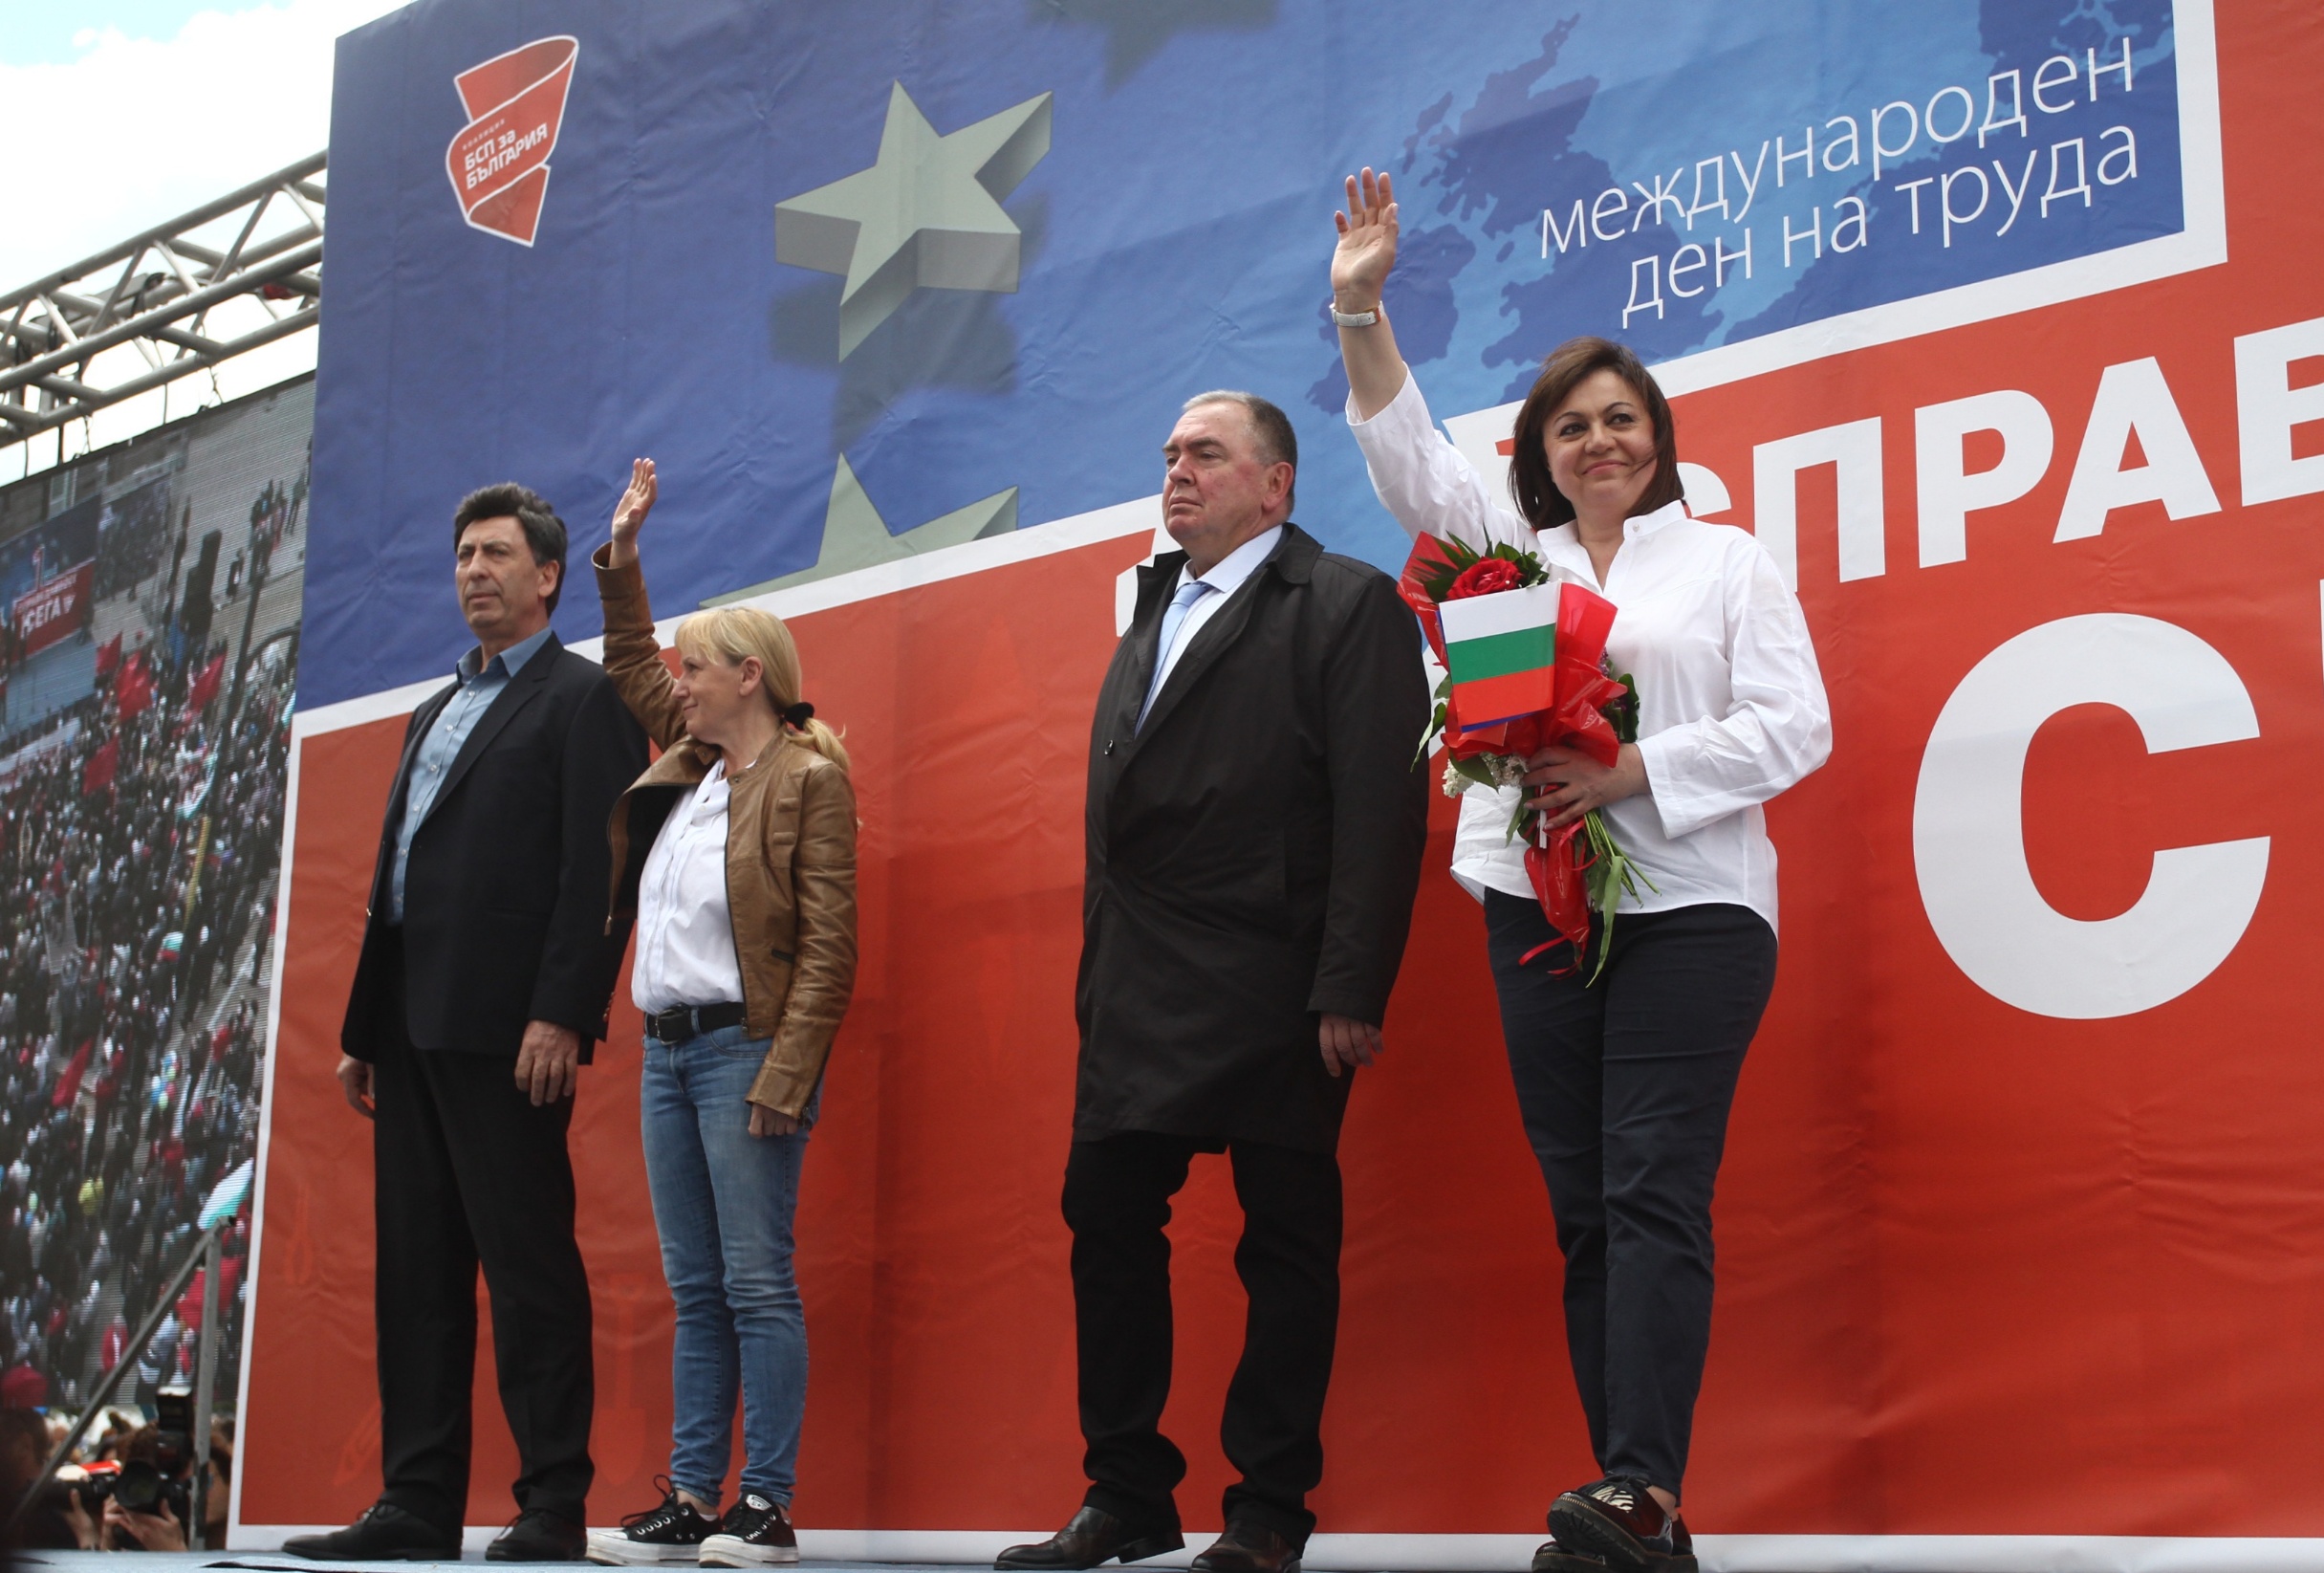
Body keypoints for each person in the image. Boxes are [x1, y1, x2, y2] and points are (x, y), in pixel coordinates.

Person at [1329, 168, 1832, 1573]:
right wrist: (1359, 306)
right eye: (1570, 424)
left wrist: (1633, 771)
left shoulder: (1723, 562)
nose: (1597, 440)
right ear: (1538, 454)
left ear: (1654, 438)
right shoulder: (1508, 560)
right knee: (1583, 1208)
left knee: (1652, 1184)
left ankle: (1640, 1487)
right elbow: (1408, 458)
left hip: (1690, 907)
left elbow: (1795, 725)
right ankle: (1633, 1510)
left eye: (1619, 419)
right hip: (1531, 908)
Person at [997, 393, 1430, 1573]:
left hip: (1279, 979)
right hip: (1137, 983)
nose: (1176, 473)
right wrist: (1096, 980)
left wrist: (1350, 981)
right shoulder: (1156, 603)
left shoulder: (1343, 600)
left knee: (1283, 1239)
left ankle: (1268, 1510)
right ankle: (1126, 1491)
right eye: (1169, 455)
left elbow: (1381, 808)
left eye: (1205, 454)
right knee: (1104, 1216)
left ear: (1276, 484)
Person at [288, 485, 648, 1563]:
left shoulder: (583, 698)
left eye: (495, 553)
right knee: (418, 1269)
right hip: (408, 1021)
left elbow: (601, 868)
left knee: (527, 1265)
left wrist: (562, 1011)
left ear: (547, 575)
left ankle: (551, 1502)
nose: (474, 570)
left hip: (507, 1028)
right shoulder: (432, 710)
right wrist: (366, 1025)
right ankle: (417, 1499)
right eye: (461, 556)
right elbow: (400, 877)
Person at [581, 459, 858, 1570]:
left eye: (693, 666)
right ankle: (695, 1497)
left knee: (754, 1284)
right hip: (667, 1056)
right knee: (697, 1288)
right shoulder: (691, 757)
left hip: (746, 1051)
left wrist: (787, 1073)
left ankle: (767, 1505)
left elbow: (829, 947)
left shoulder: (806, 777)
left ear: (749, 676)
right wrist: (624, 558)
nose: (676, 681)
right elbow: (625, 661)